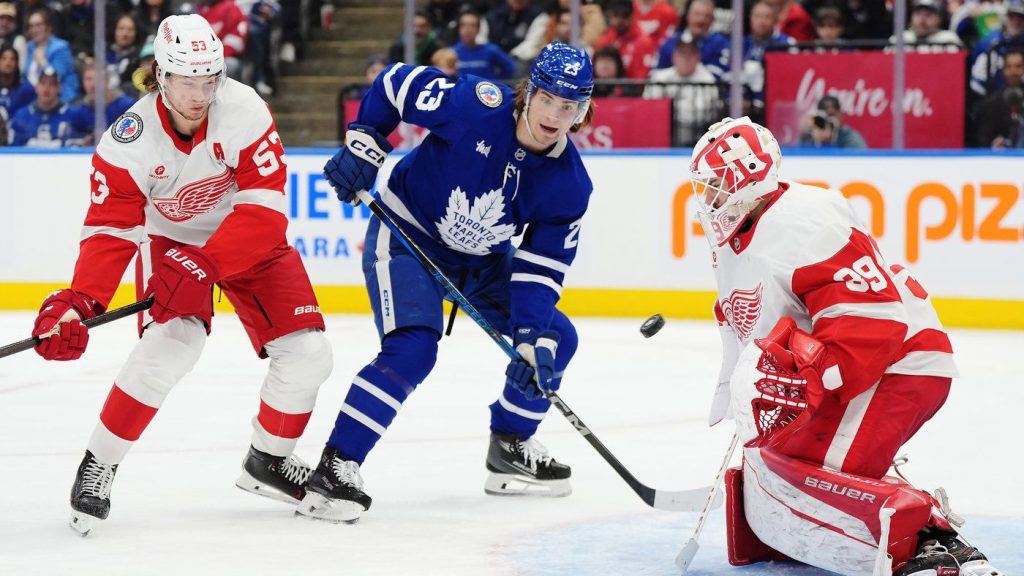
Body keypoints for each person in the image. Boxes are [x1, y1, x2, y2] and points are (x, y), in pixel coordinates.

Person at [30, 14, 332, 536]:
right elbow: (111, 231)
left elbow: (265, 208)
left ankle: (269, 460)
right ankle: (98, 463)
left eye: (209, 78)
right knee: (173, 344)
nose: (200, 93)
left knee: (309, 355)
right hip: (171, 240)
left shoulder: (244, 109)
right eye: (187, 80)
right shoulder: (128, 141)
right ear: (160, 76)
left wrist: (210, 262)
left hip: (246, 236)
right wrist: (80, 302)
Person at [688, 116, 1005, 576]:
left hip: (901, 363)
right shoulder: (736, 234)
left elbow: (873, 323)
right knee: (782, 459)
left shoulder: (802, 221)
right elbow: (744, 321)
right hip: (866, 366)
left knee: (813, 474)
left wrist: (809, 387)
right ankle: (927, 532)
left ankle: (924, 544)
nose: (707, 198)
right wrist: (745, 400)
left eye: (715, 184)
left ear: (746, 181)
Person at [296, 41, 595, 523]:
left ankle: (511, 445)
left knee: (554, 339)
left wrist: (527, 338)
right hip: (406, 233)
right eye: (548, 99)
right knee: (414, 348)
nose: (555, 115)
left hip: (481, 263)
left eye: (570, 106)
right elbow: (394, 84)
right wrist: (365, 142)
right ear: (529, 92)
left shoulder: (570, 184)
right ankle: (336, 468)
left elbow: (540, 269)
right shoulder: (476, 104)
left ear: (581, 113)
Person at [8, 65, 90, 147]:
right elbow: (14, 150)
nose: (46, 89)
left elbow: (78, 148)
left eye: (52, 84)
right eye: (43, 83)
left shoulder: (73, 116)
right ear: (36, 87)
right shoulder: (22, 116)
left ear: (59, 88)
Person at [452, 10, 516, 81]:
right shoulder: (451, 53)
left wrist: (498, 83)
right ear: (459, 29)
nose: (467, 29)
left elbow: (511, 67)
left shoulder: (491, 50)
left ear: (478, 29)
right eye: (463, 25)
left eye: (472, 25)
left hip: (487, 90)